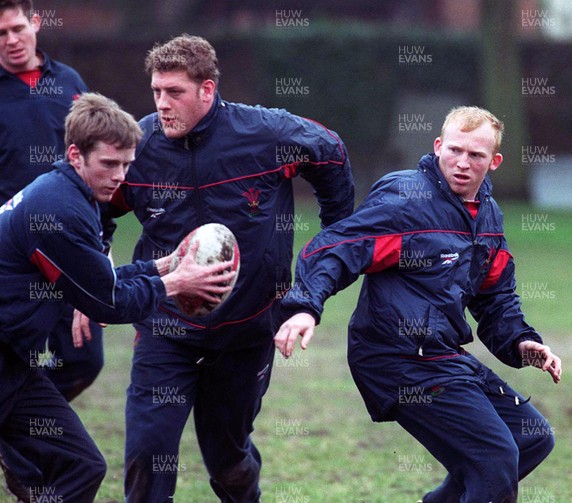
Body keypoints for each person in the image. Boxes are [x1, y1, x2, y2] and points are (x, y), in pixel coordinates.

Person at [99, 34, 354, 503]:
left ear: (208, 90)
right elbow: (96, 202)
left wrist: (335, 236)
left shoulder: (267, 134)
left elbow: (331, 152)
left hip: (246, 334)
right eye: (156, 92)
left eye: (174, 92)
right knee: (147, 451)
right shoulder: (140, 146)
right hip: (166, 329)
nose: (162, 105)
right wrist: (93, 266)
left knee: (227, 459)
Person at [275, 106, 561, 503]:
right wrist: (306, 305)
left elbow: (495, 298)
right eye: (455, 150)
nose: (462, 163)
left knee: (531, 440)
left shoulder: (488, 218)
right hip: (393, 356)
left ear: (494, 162)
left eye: (476, 156)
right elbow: (338, 248)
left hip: (439, 355)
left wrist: (521, 342)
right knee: (495, 456)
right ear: (438, 146)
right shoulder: (406, 199)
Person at [0, 92, 235, 503]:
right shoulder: (57, 208)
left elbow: (101, 280)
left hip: (14, 365)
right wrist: (178, 283)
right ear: (75, 155)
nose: (119, 177)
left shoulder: (74, 196)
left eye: (126, 165)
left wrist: (165, 265)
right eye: (109, 164)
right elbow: (107, 303)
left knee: (81, 466)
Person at [0, 0, 103, 402]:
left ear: (37, 23)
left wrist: (102, 234)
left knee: (84, 358)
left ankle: (25, 434)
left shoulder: (69, 82)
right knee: (13, 361)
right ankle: (27, 450)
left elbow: (97, 158)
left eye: (18, 28)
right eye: (0, 34)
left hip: (67, 242)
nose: (11, 40)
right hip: (13, 257)